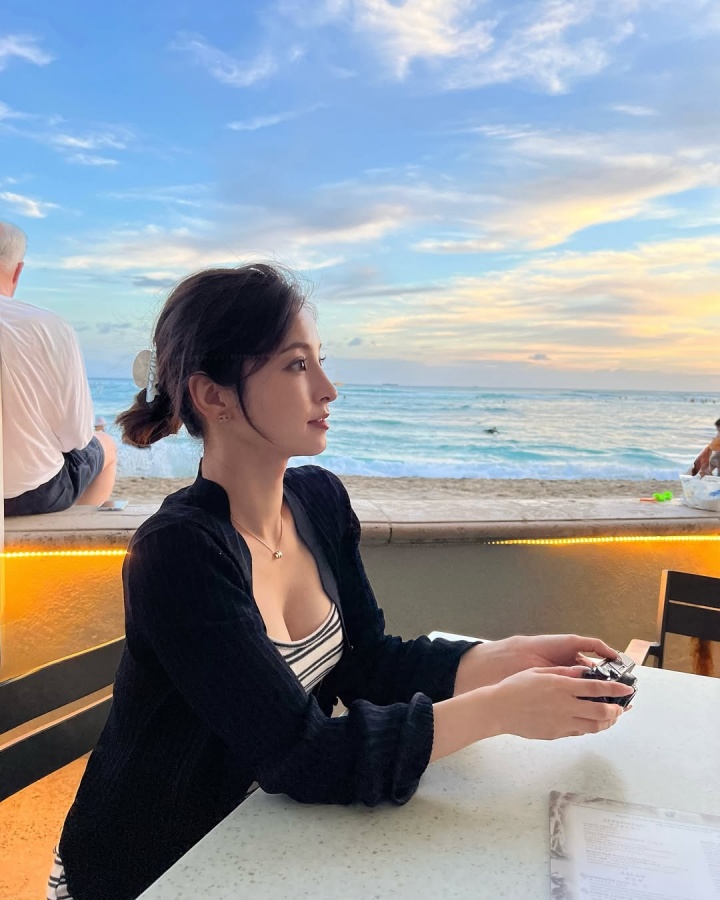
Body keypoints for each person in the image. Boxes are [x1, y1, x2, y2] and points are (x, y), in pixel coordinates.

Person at [51, 264, 633, 900]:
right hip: (158, 865)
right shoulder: (180, 551)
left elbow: (366, 663)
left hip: (264, 836)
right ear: (214, 396)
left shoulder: (318, 501)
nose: (329, 390)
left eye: (320, 362)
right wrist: (500, 709)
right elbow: (302, 757)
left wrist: (500, 658)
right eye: (297, 365)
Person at [0, 221, 117, 516]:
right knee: (105, 445)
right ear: (17, 271)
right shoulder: (49, 327)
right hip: (29, 495)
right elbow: (77, 438)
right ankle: (75, 536)